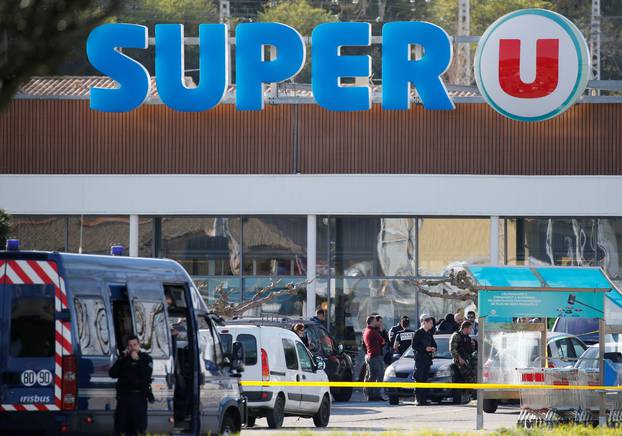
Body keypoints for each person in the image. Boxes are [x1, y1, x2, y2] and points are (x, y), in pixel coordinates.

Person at [109, 335, 153, 435]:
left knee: (138, 429)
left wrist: (137, 360)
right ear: (127, 347)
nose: (132, 347)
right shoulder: (124, 359)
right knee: (121, 428)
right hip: (124, 397)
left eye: (135, 345)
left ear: (139, 345)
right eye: (130, 345)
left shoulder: (146, 358)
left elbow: (146, 375)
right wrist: (120, 358)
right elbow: (112, 373)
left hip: (139, 397)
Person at [412, 314, 437, 406]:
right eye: (430, 323)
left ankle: (424, 399)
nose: (432, 325)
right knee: (419, 378)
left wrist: (433, 348)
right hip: (420, 359)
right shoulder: (418, 333)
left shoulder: (429, 334)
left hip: (427, 359)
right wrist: (425, 349)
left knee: (425, 379)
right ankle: (417, 398)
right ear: (425, 323)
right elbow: (414, 346)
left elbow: (434, 344)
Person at [362, 315, 386, 401]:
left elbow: (364, 345)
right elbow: (382, 341)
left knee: (371, 376)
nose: (377, 322)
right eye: (376, 321)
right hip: (375, 356)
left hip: (369, 355)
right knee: (380, 375)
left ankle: (370, 395)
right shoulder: (372, 331)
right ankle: (376, 394)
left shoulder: (366, 331)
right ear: (372, 322)